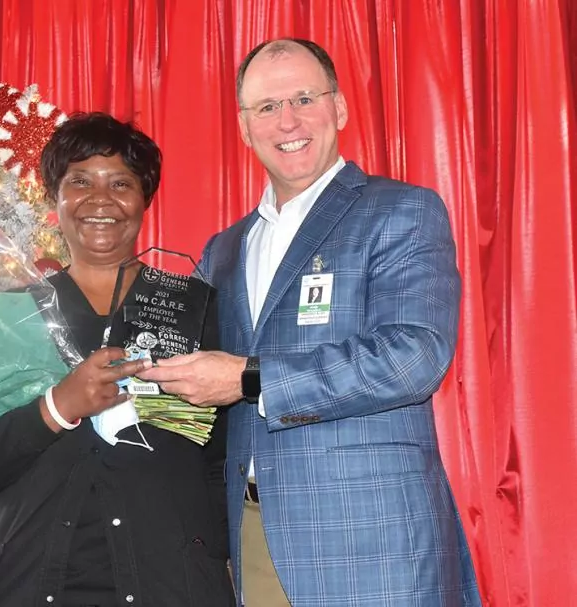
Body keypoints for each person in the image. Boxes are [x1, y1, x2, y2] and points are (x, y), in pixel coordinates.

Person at [137, 38, 482, 606]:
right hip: (253, 536)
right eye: (267, 106)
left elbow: (414, 357)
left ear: (338, 108)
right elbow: (195, 391)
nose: (288, 121)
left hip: (374, 543)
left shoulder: (400, 210)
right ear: (244, 127)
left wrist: (249, 378)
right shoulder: (224, 249)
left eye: (303, 98)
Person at [0, 112, 235, 607]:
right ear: (54, 197)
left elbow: (222, 461)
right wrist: (56, 408)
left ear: (144, 200)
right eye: (80, 181)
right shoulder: (3, 317)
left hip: (171, 585)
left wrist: (208, 557)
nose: (101, 199)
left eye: (121, 183)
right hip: (22, 584)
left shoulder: (197, 310)